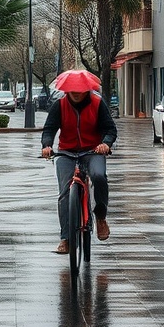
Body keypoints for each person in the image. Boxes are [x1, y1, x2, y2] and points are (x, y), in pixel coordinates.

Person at [41, 78, 118, 255]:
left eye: (80, 89)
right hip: (66, 152)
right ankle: (66, 239)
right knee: (64, 194)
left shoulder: (98, 104)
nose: (76, 92)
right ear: (66, 89)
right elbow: (49, 129)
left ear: (87, 90)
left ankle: (100, 217)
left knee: (99, 176)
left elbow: (110, 129)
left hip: (93, 151)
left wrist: (106, 143)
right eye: (72, 89)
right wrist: (47, 145)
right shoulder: (59, 105)